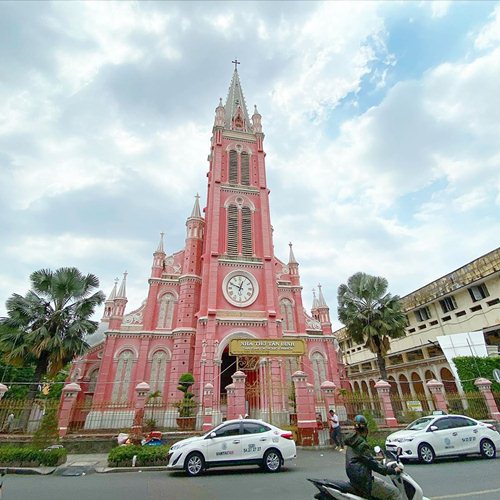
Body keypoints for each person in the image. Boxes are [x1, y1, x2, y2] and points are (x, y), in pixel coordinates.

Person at [344, 415, 402, 500]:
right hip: (365, 482)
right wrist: (391, 470)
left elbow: (364, 458)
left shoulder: (352, 441)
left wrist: (375, 458)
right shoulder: (361, 444)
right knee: (395, 493)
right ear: (366, 429)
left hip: (356, 480)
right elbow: (373, 464)